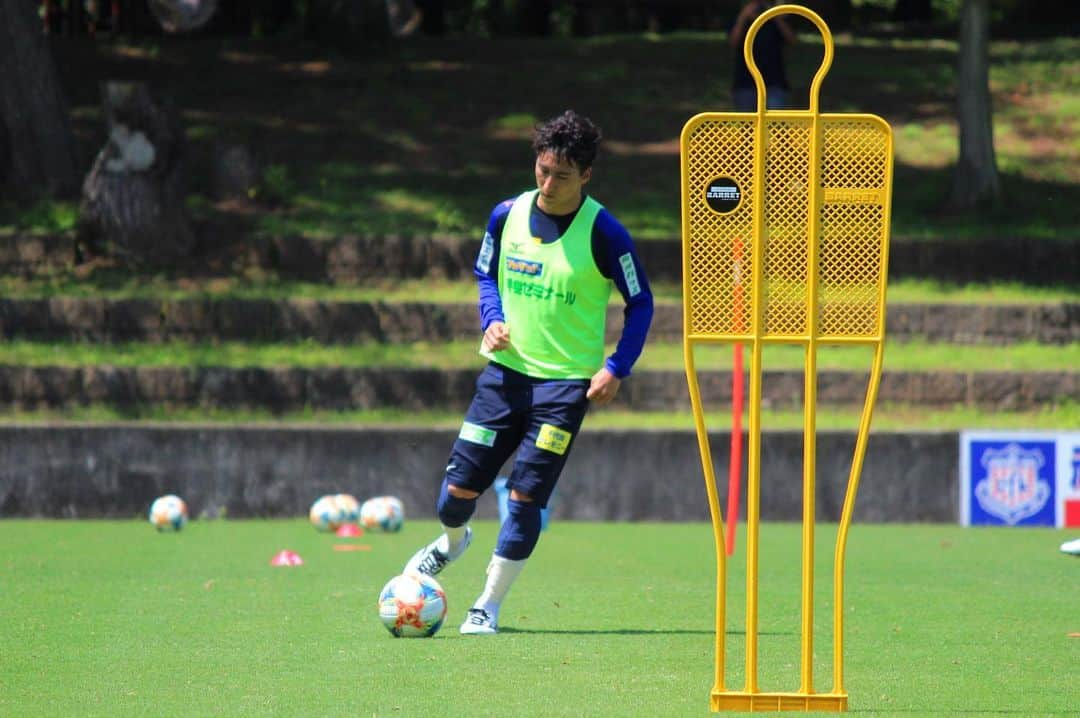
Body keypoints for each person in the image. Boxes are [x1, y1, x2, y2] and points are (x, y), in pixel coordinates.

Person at [402, 110, 654, 635]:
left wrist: (616, 367)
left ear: (586, 175)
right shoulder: (506, 214)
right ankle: (452, 543)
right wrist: (491, 320)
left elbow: (642, 302)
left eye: (562, 176)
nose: (548, 184)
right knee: (456, 494)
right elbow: (485, 273)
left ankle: (487, 605)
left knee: (524, 498)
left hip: (565, 387)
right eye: (542, 170)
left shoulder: (606, 233)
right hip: (504, 376)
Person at [730, 0, 797, 112]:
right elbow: (733, 42)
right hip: (745, 82)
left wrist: (774, 15)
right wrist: (743, 16)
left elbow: (792, 40)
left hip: (775, 82)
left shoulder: (775, 19)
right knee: (746, 126)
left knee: (775, 125)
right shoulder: (741, 18)